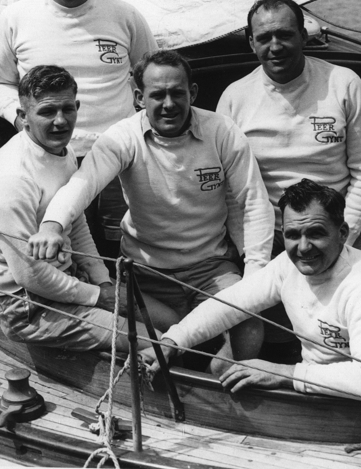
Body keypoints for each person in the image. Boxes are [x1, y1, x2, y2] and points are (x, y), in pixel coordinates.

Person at [30, 50, 276, 366]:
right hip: (145, 272)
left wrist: (254, 277)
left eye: (178, 93)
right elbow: (84, 183)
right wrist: (53, 224)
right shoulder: (121, 137)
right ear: (138, 97)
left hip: (212, 267)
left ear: (193, 93)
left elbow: (254, 202)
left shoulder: (222, 131)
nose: (169, 104)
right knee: (164, 341)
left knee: (250, 324)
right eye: (157, 95)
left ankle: (225, 386)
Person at [0, 0, 157, 259]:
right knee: (61, 253)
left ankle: (126, 309)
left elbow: (151, 78)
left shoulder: (125, 16)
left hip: (116, 159)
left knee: (121, 251)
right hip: (47, 158)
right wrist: (24, 122)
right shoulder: (15, 19)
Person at [148, 179, 361, 401]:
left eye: (316, 233)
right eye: (293, 235)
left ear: (343, 233)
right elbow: (230, 304)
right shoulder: (287, 265)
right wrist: (173, 341)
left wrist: (280, 372)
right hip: (311, 397)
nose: (303, 248)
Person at [0, 65, 144, 351]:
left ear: (77, 107)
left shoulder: (63, 152)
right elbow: (30, 275)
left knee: (166, 319)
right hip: (26, 307)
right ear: (23, 117)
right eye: (47, 112)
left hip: (67, 279)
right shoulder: (12, 180)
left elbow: (75, 225)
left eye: (67, 109)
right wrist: (99, 297)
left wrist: (102, 281)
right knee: (148, 339)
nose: (61, 122)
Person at [217, 0, 361, 256]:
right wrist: (251, 254)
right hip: (268, 239)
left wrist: (340, 241)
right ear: (251, 43)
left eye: (284, 35)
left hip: (340, 231)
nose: (275, 46)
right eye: (264, 38)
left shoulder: (344, 85)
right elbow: (229, 190)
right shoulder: (234, 98)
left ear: (303, 36)